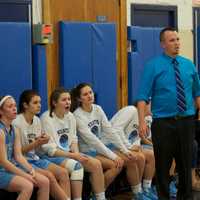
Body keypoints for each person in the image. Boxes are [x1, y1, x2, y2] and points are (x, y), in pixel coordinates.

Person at [136, 27, 200, 200]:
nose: (177, 43)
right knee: (163, 167)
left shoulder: (189, 64)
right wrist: (142, 122)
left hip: (186, 121)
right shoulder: (153, 65)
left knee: (186, 165)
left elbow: (197, 93)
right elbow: (142, 97)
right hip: (163, 123)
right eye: (172, 40)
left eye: (178, 39)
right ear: (163, 44)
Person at [71, 83, 155, 200]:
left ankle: (137, 193)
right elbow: (93, 141)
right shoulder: (77, 115)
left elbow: (110, 131)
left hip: (102, 148)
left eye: (90, 92)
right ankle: (97, 194)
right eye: (85, 94)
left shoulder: (98, 109)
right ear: (79, 99)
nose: (90, 96)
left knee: (133, 158)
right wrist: (113, 156)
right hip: (89, 151)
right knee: (116, 164)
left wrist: (125, 151)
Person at [40, 87, 107, 200]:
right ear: (54, 103)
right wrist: (74, 156)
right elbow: (50, 150)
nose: (68, 102)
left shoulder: (70, 116)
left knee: (96, 164)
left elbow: (73, 140)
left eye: (69, 99)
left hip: (69, 154)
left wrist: (77, 154)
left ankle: (100, 198)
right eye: (64, 100)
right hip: (51, 156)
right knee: (77, 166)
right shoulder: (46, 118)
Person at [13, 90, 71, 200]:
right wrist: (37, 143)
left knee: (63, 173)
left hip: (35, 158)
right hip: (22, 161)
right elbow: (17, 153)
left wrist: (44, 141)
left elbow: (38, 149)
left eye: (40, 102)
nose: (39, 105)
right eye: (35, 103)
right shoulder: (17, 123)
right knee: (49, 176)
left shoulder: (37, 120)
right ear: (25, 105)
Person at [0, 95, 50, 200]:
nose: (14, 109)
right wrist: (25, 175)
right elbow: (4, 162)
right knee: (27, 185)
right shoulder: (1, 132)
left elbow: (18, 156)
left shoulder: (15, 129)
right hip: (1, 170)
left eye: (14, 106)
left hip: (10, 167)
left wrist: (31, 170)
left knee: (44, 181)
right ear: (1, 111)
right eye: (10, 106)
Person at [110, 105, 157, 199]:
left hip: (126, 146)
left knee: (151, 155)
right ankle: (137, 193)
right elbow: (115, 129)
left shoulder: (145, 118)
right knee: (140, 157)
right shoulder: (131, 110)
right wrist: (129, 147)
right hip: (111, 144)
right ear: (145, 104)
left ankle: (146, 189)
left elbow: (136, 137)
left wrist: (136, 146)